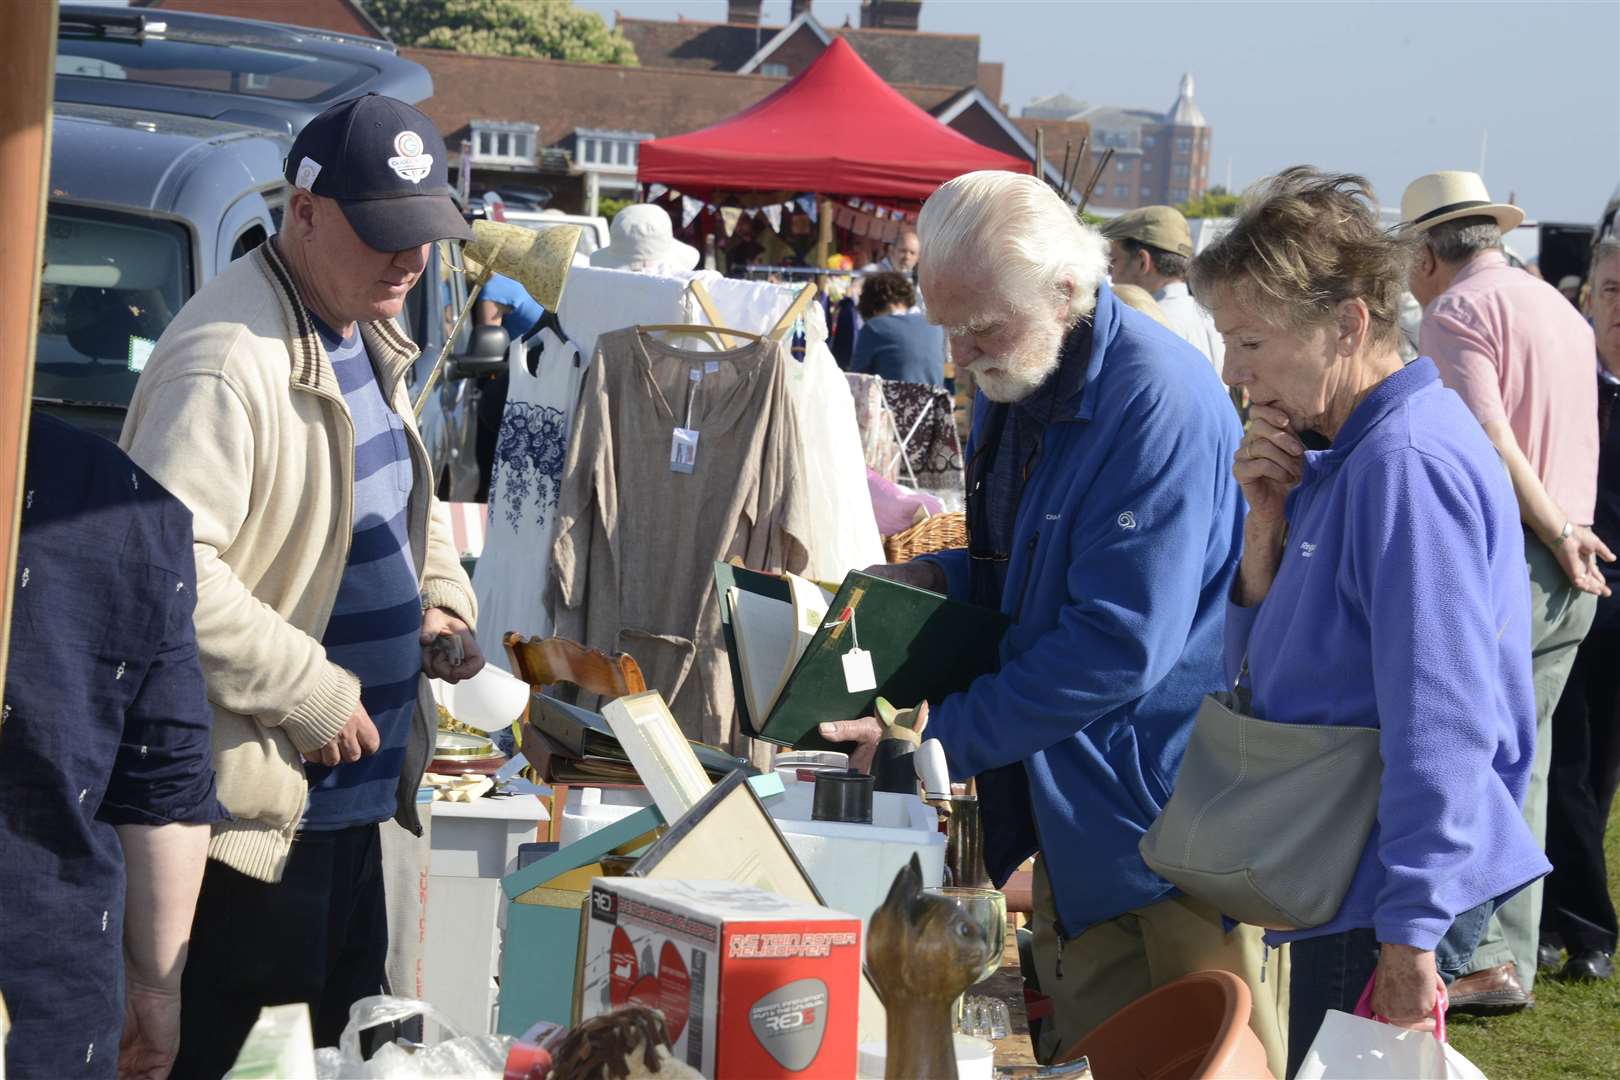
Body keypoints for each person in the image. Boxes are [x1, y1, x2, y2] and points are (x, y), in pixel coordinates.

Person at [819, 171, 1287, 1075]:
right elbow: (1020, 570)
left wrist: (937, 741)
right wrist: (931, 572)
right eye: (947, 327)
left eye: (979, 328)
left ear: (1067, 290)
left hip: (1158, 818)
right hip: (1076, 801)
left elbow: (1113, 645)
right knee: (1092, 1049)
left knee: (1195, 1053)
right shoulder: (1018, 370)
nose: (959, 356)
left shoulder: (1154, 401)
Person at [119, 93, 485, 1074]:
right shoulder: (226, 358)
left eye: (423, 237)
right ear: (305, 211)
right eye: (386, 237)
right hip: (255, 828)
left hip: (342, 812)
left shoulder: (360, 323)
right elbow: (164, 568)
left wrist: (442, 596)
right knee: (256, 1061)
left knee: (341, 1057)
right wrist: (308, 688)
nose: (410, 262)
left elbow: (401, 494)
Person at [1193, 167, 1549, 1076]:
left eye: (1251, 342)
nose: (1235, 371)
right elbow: (1265, 667)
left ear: (1349, 323)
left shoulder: (1404, 463)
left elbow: (1445, 720)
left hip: (1379, 881)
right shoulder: (1348, 451)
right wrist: (1265, 526)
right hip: (1349, 860)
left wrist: (1411, 934)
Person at [1403, 169, 1607, 1012]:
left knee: (1469, 754)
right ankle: (1504, 955)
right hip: (1572, 558)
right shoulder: (1555, 306)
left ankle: (1477, 954)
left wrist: (1554, 528)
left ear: (1425, 253)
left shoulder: (1455, 313)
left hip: (1521, 552)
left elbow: (1487, 437)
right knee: (1528, 758)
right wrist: (1568, 529)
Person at [0, 414, 221, 1079]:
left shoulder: (125, 504)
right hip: (41, 993)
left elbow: (168, 773)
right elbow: (162, 777)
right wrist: (156, 988)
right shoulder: (118, 499)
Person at [1541, 237, 1620, 983]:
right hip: (1568, 591)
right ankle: (1584, 927)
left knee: (1597, 772)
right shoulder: (1569, 385)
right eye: (1612, 289)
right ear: (1587, 295)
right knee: (1557, 764)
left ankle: (1561, 916)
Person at [1101, 205, 1225, 374]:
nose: (1111, 276)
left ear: (1142, 261)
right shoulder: (1210, 317)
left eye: (1114, 261)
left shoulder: (1146, 323)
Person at [473, 272, 544, 501]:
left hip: (511, 391)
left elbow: (488, 343)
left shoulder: (497, 289)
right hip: (541, 390)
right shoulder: (530, 282)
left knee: (490, 482)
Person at [850, 270, 946, 385]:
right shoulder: (934, 325)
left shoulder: (875, 327)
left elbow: (855, 378)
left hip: (891, 401)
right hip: (933, 400)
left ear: (875, 308)